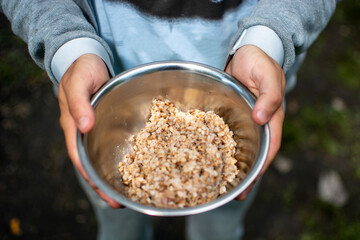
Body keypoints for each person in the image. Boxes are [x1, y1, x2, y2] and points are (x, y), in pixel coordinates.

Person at [1, 0, 339, 239]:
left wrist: (269, 39)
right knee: (116, 216)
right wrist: (69, 48)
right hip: (100, 97)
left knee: (220, 223)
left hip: (244, 88)